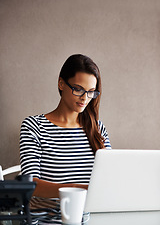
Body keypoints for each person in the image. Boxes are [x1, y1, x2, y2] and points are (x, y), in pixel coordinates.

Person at [20, 54, 111, 200]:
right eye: (78, 89)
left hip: (93, 220)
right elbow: (31, 185)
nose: (85, 98)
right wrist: (76, 190)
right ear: (61, 84)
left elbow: (109, 179)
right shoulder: (34, 127)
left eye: (90, 92)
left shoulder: (98, 128)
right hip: (52, 221)